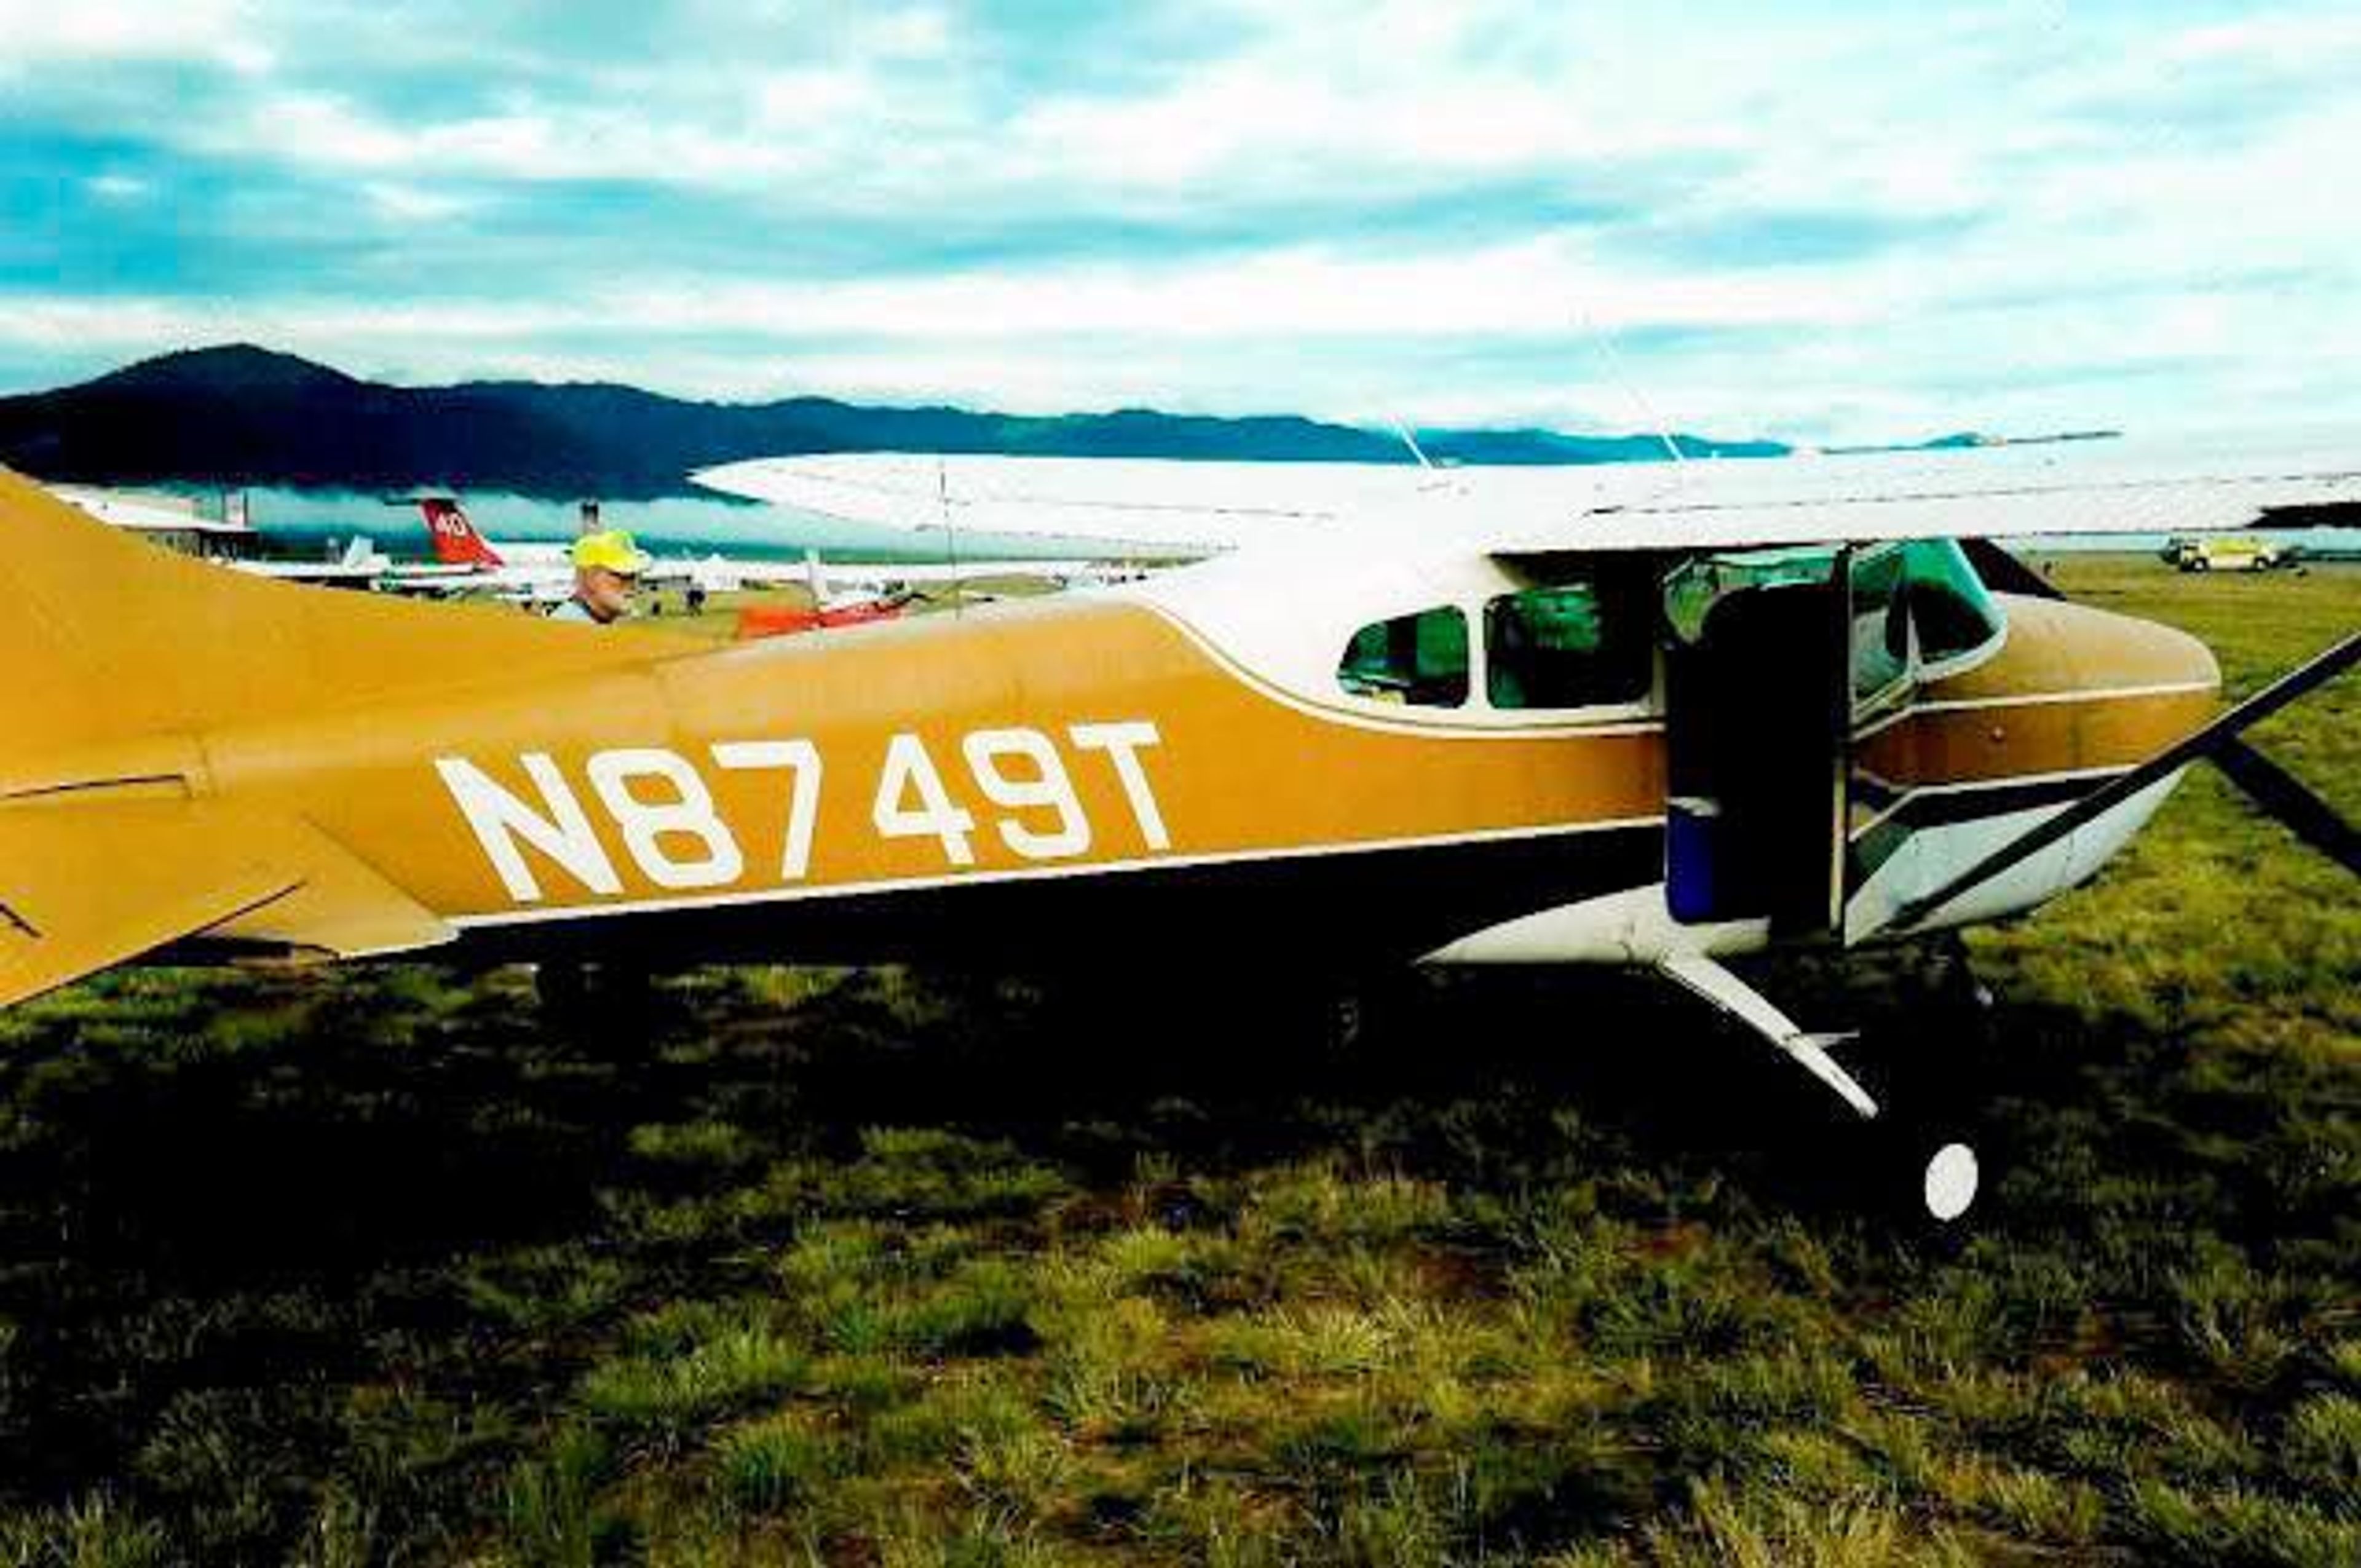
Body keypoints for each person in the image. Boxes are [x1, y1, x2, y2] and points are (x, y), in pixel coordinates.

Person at [549, 530, 651, 624]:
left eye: (634, 576)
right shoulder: (570, 627)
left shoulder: (591, 622)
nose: (632, 585)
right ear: (589, 577)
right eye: (620, 575)